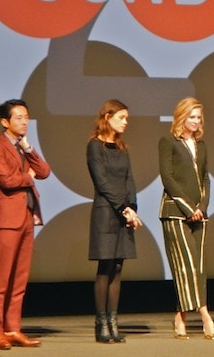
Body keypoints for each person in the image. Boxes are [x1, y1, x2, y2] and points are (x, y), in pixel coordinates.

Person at [0, 99, 50, 350]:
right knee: (1, 279)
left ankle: (13, 328)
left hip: (26, 218)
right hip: (6, 221)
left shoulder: (23, 147)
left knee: (20, 279)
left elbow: (44, 171)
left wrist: (28, 149)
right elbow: (7, 180)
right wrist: (28, 177)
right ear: (5, 122)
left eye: (26, 117)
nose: (24, 121)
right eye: (18, 118)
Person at [158, 98, 214, 340]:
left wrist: (201, 206)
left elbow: (205, 179)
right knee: (185, 266)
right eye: (192, 116)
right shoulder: (168, 141)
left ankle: (180, 316)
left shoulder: (201, 145)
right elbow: (167, 178)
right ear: (181, 116)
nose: (196, 121)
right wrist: (188, 207)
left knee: (198, 267)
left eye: (199, 117)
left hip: (199, 214)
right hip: (175, 212)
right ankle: (204, 313)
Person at [87, 99, 143, 344]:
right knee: (105, 266)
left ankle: (113, 321)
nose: (125, 122)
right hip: (106, 212)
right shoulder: (95, 146)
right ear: (107, 117)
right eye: (122, 117)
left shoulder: (122, 147)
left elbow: (129, 179)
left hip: (123, 213)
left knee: (118, 267)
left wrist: (132, 207)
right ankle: (100, 323)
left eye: (127, 118)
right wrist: (124, 209)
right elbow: (102, 183)